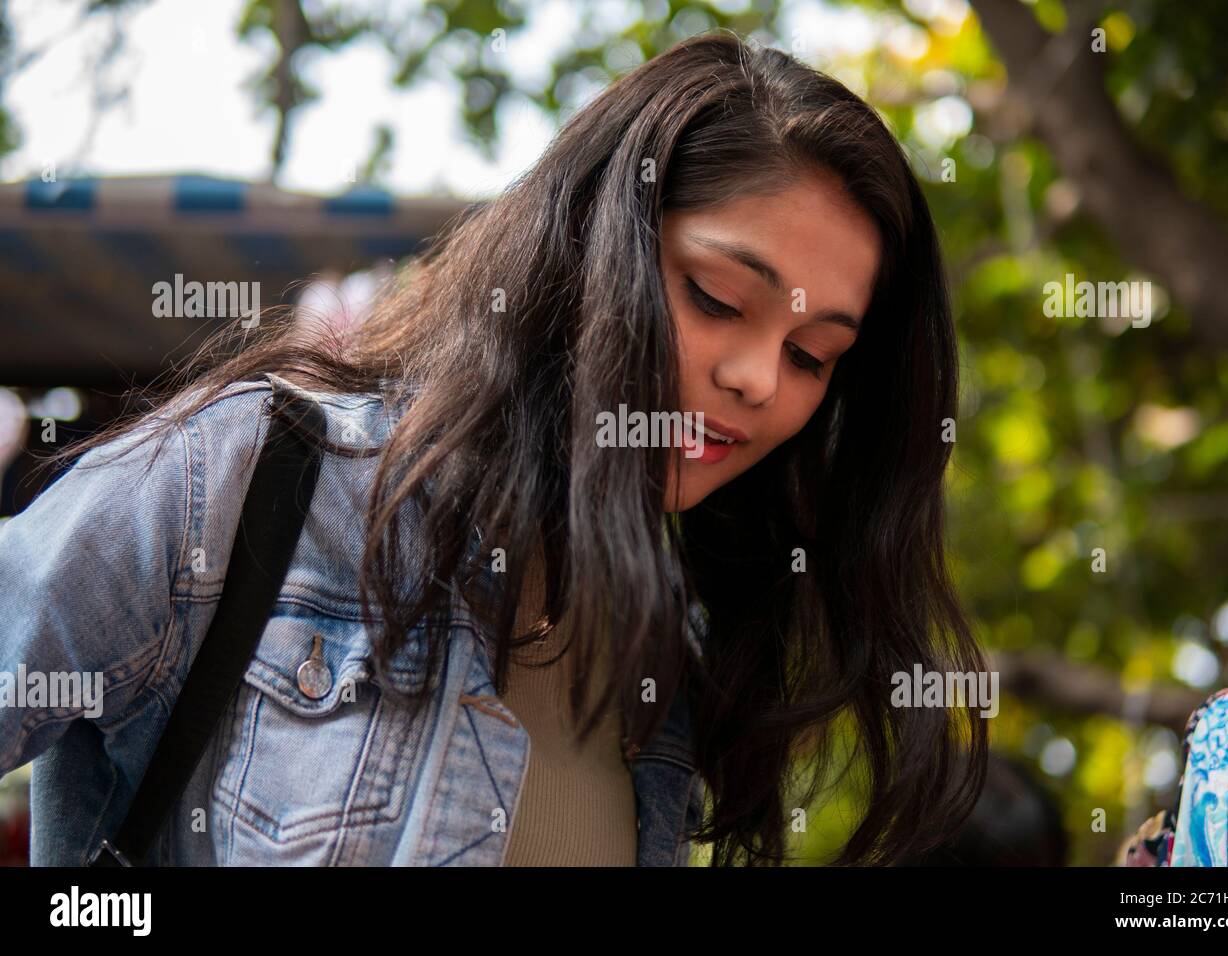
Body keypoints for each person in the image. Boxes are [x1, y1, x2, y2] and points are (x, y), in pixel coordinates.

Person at [0, 30, 987, 867]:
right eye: (718, 299)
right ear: (589, 244)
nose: (759, 379)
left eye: (813, 356)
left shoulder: (667, 658)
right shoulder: (246, 478)